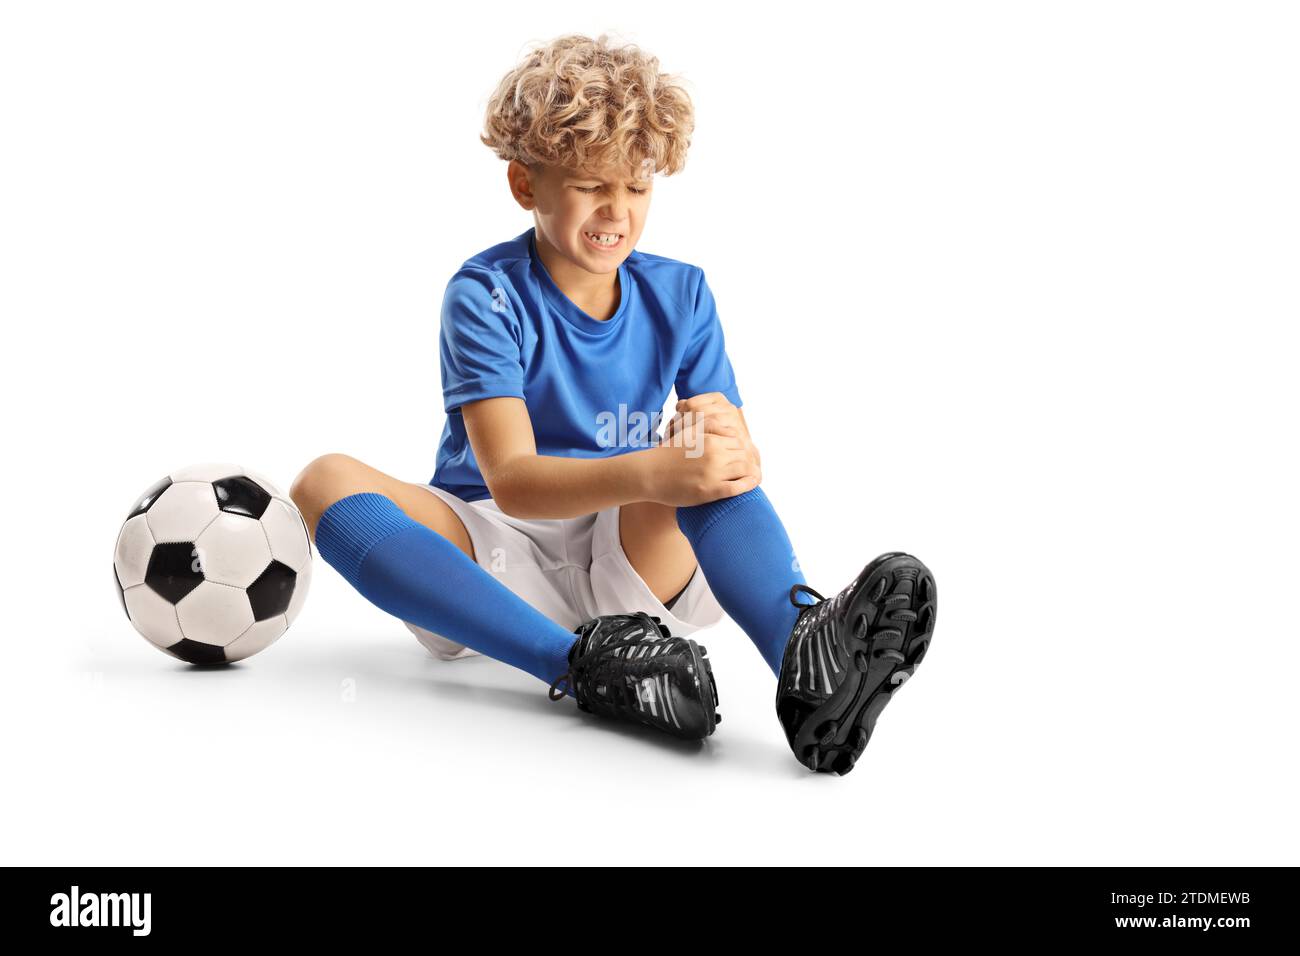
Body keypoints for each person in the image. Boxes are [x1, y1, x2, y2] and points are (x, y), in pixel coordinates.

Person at [289, 34, 937, 774]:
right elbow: (512, 481)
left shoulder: (681, 291)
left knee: (707, 450)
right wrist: (656, 473)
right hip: (489, 560)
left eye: (637, 187)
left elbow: (730, 455)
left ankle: (805, 653)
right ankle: (583, 667)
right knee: (322, 480)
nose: (617, 211)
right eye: (592, 183)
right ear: (525, 185)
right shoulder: (485, 294)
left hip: (629, 555)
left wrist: (719, 452)